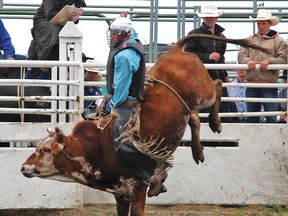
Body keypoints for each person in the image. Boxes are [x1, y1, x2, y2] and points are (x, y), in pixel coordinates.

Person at [105, 16, 167, 197]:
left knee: (120, 142)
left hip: (125, 103)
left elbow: (122, 85)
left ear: (124, 33)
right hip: (130, 100)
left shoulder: (124, 56)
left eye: (116, 33)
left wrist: (114, 104)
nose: (113, 36)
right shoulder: (134, 44)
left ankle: (154, 173)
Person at [184, 4, 234, 123]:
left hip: (215, 77)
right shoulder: (195, 34)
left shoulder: (221, 37)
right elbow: (188, 54)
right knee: (205, 106)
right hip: (200, 78)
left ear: (216, 18)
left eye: (211, 17)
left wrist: (225, 75)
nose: (209, 19)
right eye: (207, 17)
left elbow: (221, 58)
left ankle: (223, 134)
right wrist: (208, 57)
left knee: (221, 106)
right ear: (203, 18)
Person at [238, 9, 287, 123]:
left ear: (269, 23)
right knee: (255, 118)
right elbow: (241, 56)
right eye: (259, 23)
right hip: (254, 83)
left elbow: (284, 59)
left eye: (263, 23)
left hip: (267, 83)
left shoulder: (278, 41)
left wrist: (269, 61)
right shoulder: (250, 40)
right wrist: (248, 60)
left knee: (267, 118)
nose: (260, 26)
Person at [26, 0, 86, 79]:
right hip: (46, 45)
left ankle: (46, 62)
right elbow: (49, 14)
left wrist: (74, 16)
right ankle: (45, 61)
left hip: (53, 48)